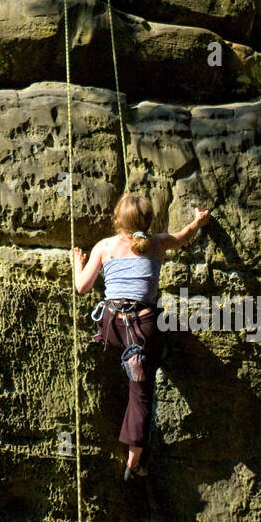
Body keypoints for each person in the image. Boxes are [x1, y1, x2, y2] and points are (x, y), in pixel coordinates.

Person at [72, 193, 210, 481]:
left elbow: (82, 287)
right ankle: (134, 462)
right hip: (141, 332)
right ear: (148, 221)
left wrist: (77, 261)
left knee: (138, 365)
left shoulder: (105, 246)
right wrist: (198, 221)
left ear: (117, 220)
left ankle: (133, 357)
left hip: (111, 328)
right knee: (141, 393)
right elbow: (184, 236)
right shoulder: (157, 243)